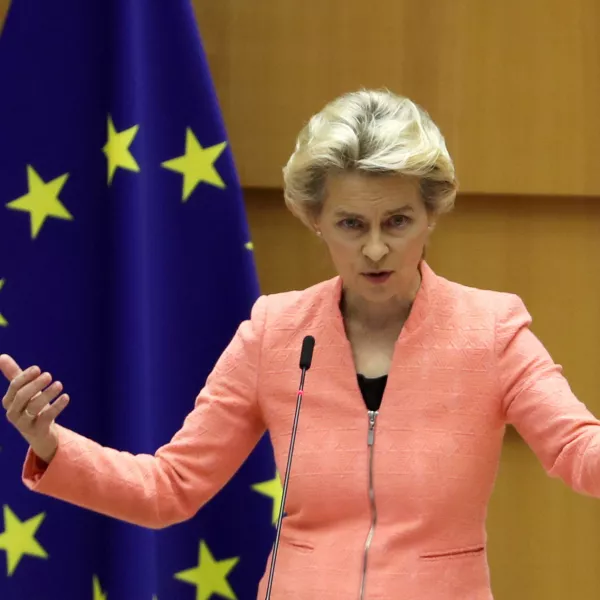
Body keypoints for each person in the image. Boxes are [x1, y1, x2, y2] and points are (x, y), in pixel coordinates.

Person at [2, 88, 600, 600]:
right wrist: (51, 444)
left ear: (431, 215)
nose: (373, 249)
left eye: (397, 221)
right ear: (315, 218)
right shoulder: (275, 331)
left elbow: (577, 449)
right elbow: (170, 488)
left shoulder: (490, 330)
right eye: (350, 224)